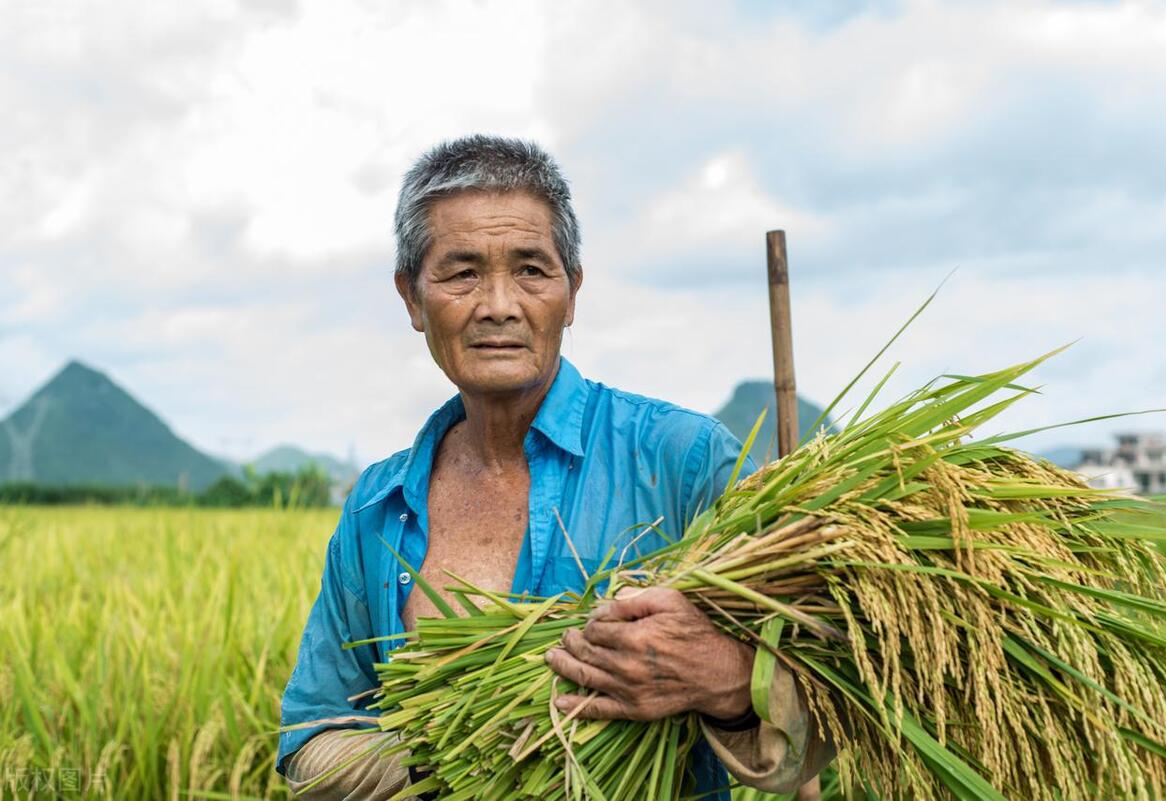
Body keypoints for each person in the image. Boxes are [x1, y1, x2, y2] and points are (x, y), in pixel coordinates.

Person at [276, 134, 835, 799]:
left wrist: (727, 676)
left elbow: (821, 703)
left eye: (531, 270)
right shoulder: (378, 505)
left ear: (572, 292)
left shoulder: (683, 461)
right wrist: (453, 754)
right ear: (412, 298)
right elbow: (311, 736)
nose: (499, 304)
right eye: (462, 272)